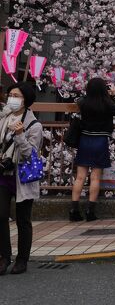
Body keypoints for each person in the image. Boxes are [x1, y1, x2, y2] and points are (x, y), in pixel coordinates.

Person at [69, 78, 115, 222]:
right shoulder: (107, 103)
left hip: (84, 140)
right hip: (100, 141)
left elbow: (80, 99)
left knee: (80, 177)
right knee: (95, 177)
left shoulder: (83, 102)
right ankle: (90, 210)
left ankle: (73, 210)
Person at [0, 82, 42, 275]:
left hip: (22, 176)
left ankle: (22, 259)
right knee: (0, 216)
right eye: (10, 94)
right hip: (3, 175)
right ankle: (4, 257)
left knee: (23, 219)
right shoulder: (2, 119)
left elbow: (29, 154)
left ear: (26, 99)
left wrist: (19, 135)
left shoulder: (34, 125)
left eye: (16, 95)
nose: (12, 98)